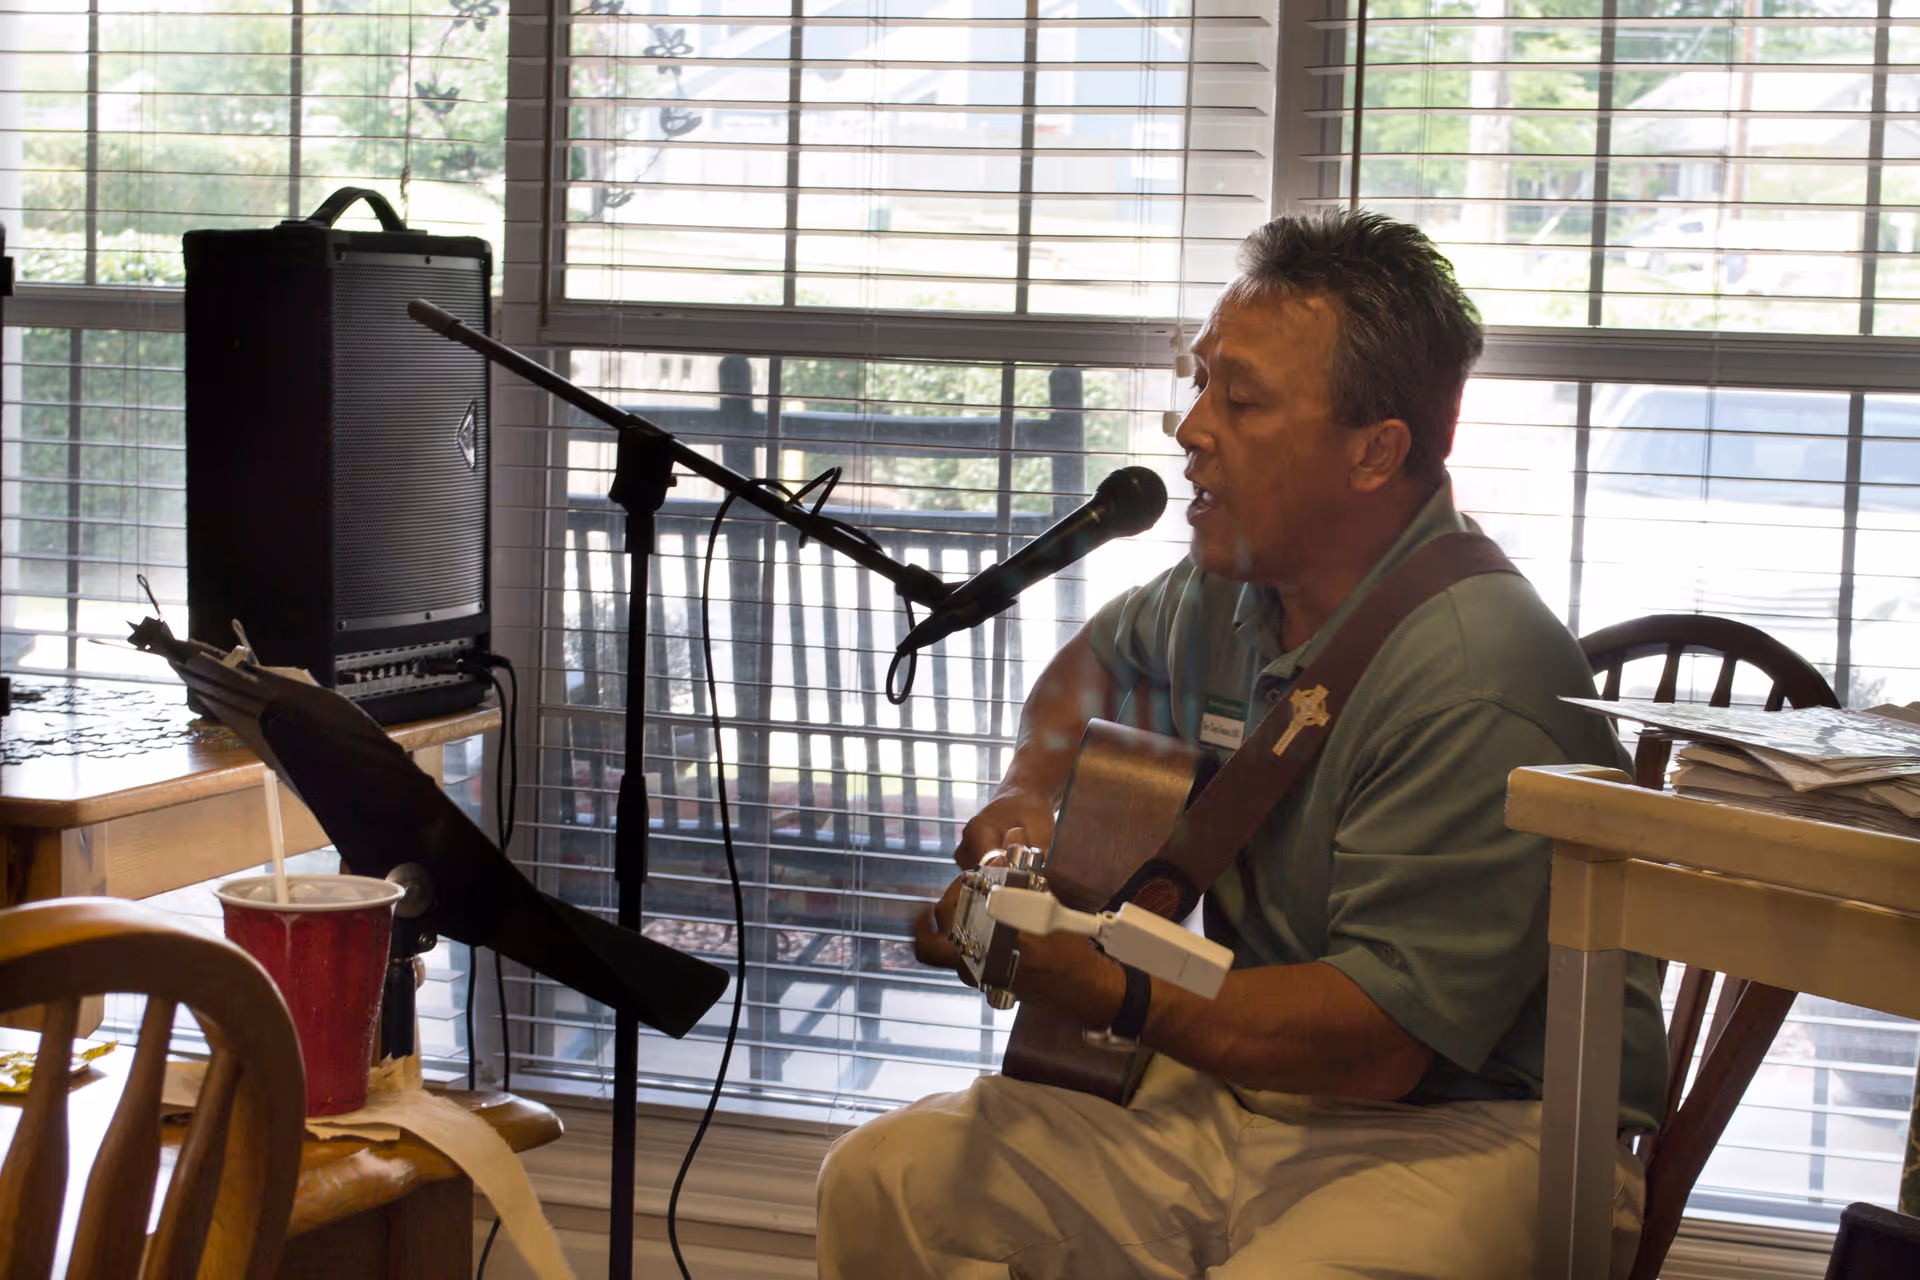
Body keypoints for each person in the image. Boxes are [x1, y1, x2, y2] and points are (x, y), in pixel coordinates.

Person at [815, 210, 1669, 1279]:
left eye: (1240, 396)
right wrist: (1028, 805)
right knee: (891, 1179)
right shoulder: (1230, 587)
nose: (1189, 426)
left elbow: (1375, 1038)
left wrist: (1116, 989)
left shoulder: (1478, 675)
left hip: (1486, 1130)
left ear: (1375, 451)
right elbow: (1085, 674)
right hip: (1247, 1085)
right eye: (1201, 377)